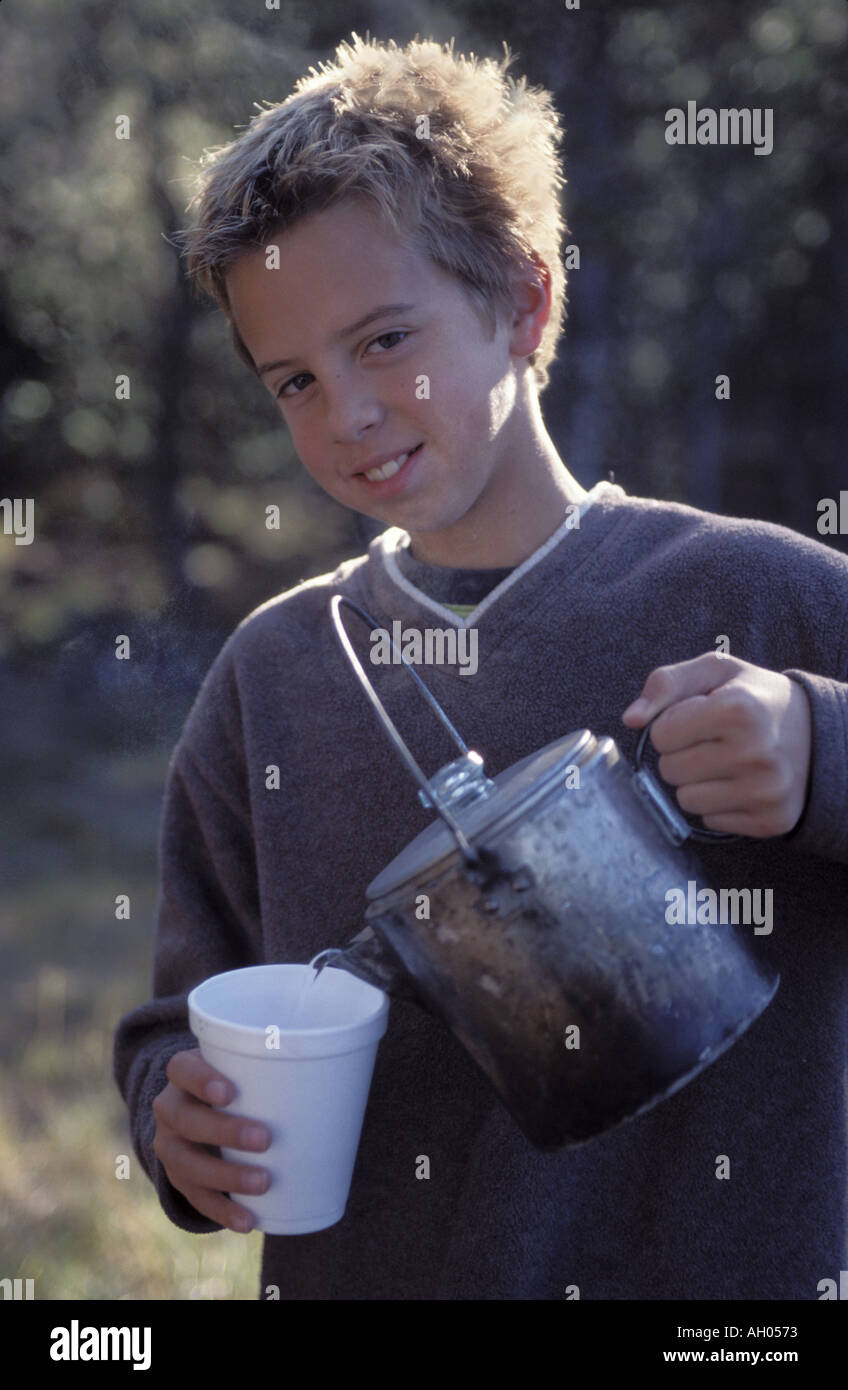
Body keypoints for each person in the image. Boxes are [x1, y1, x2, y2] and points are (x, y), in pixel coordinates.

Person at [113, 33, 848, 1300]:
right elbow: (188, 1015)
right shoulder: (275, 676)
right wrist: (176, 1120)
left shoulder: (757, 596)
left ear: (522, 300)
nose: (346, 413)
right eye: (294, 378)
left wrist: (820, 750)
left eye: (386, 339)